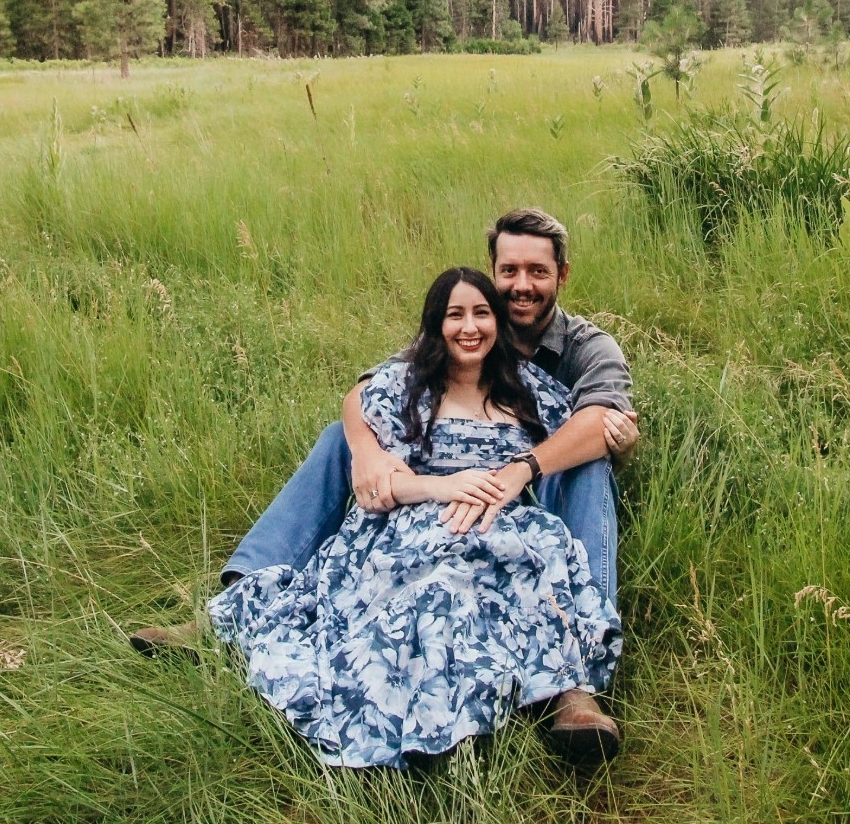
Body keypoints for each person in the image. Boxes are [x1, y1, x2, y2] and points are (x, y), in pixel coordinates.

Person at [133, 208, 639, 759]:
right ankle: (235, 608)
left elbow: (605, 421)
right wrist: (370, 452)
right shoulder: (459, 324)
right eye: (509, 270)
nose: (521, 285)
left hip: (531, 481)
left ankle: (577, 681)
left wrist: (521, 469)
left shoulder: (587, 347)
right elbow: (370, 388)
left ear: (561, 275)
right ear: (492, 272)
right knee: (340, 438)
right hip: (431, 487)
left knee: (588, 459)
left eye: (537, 272)